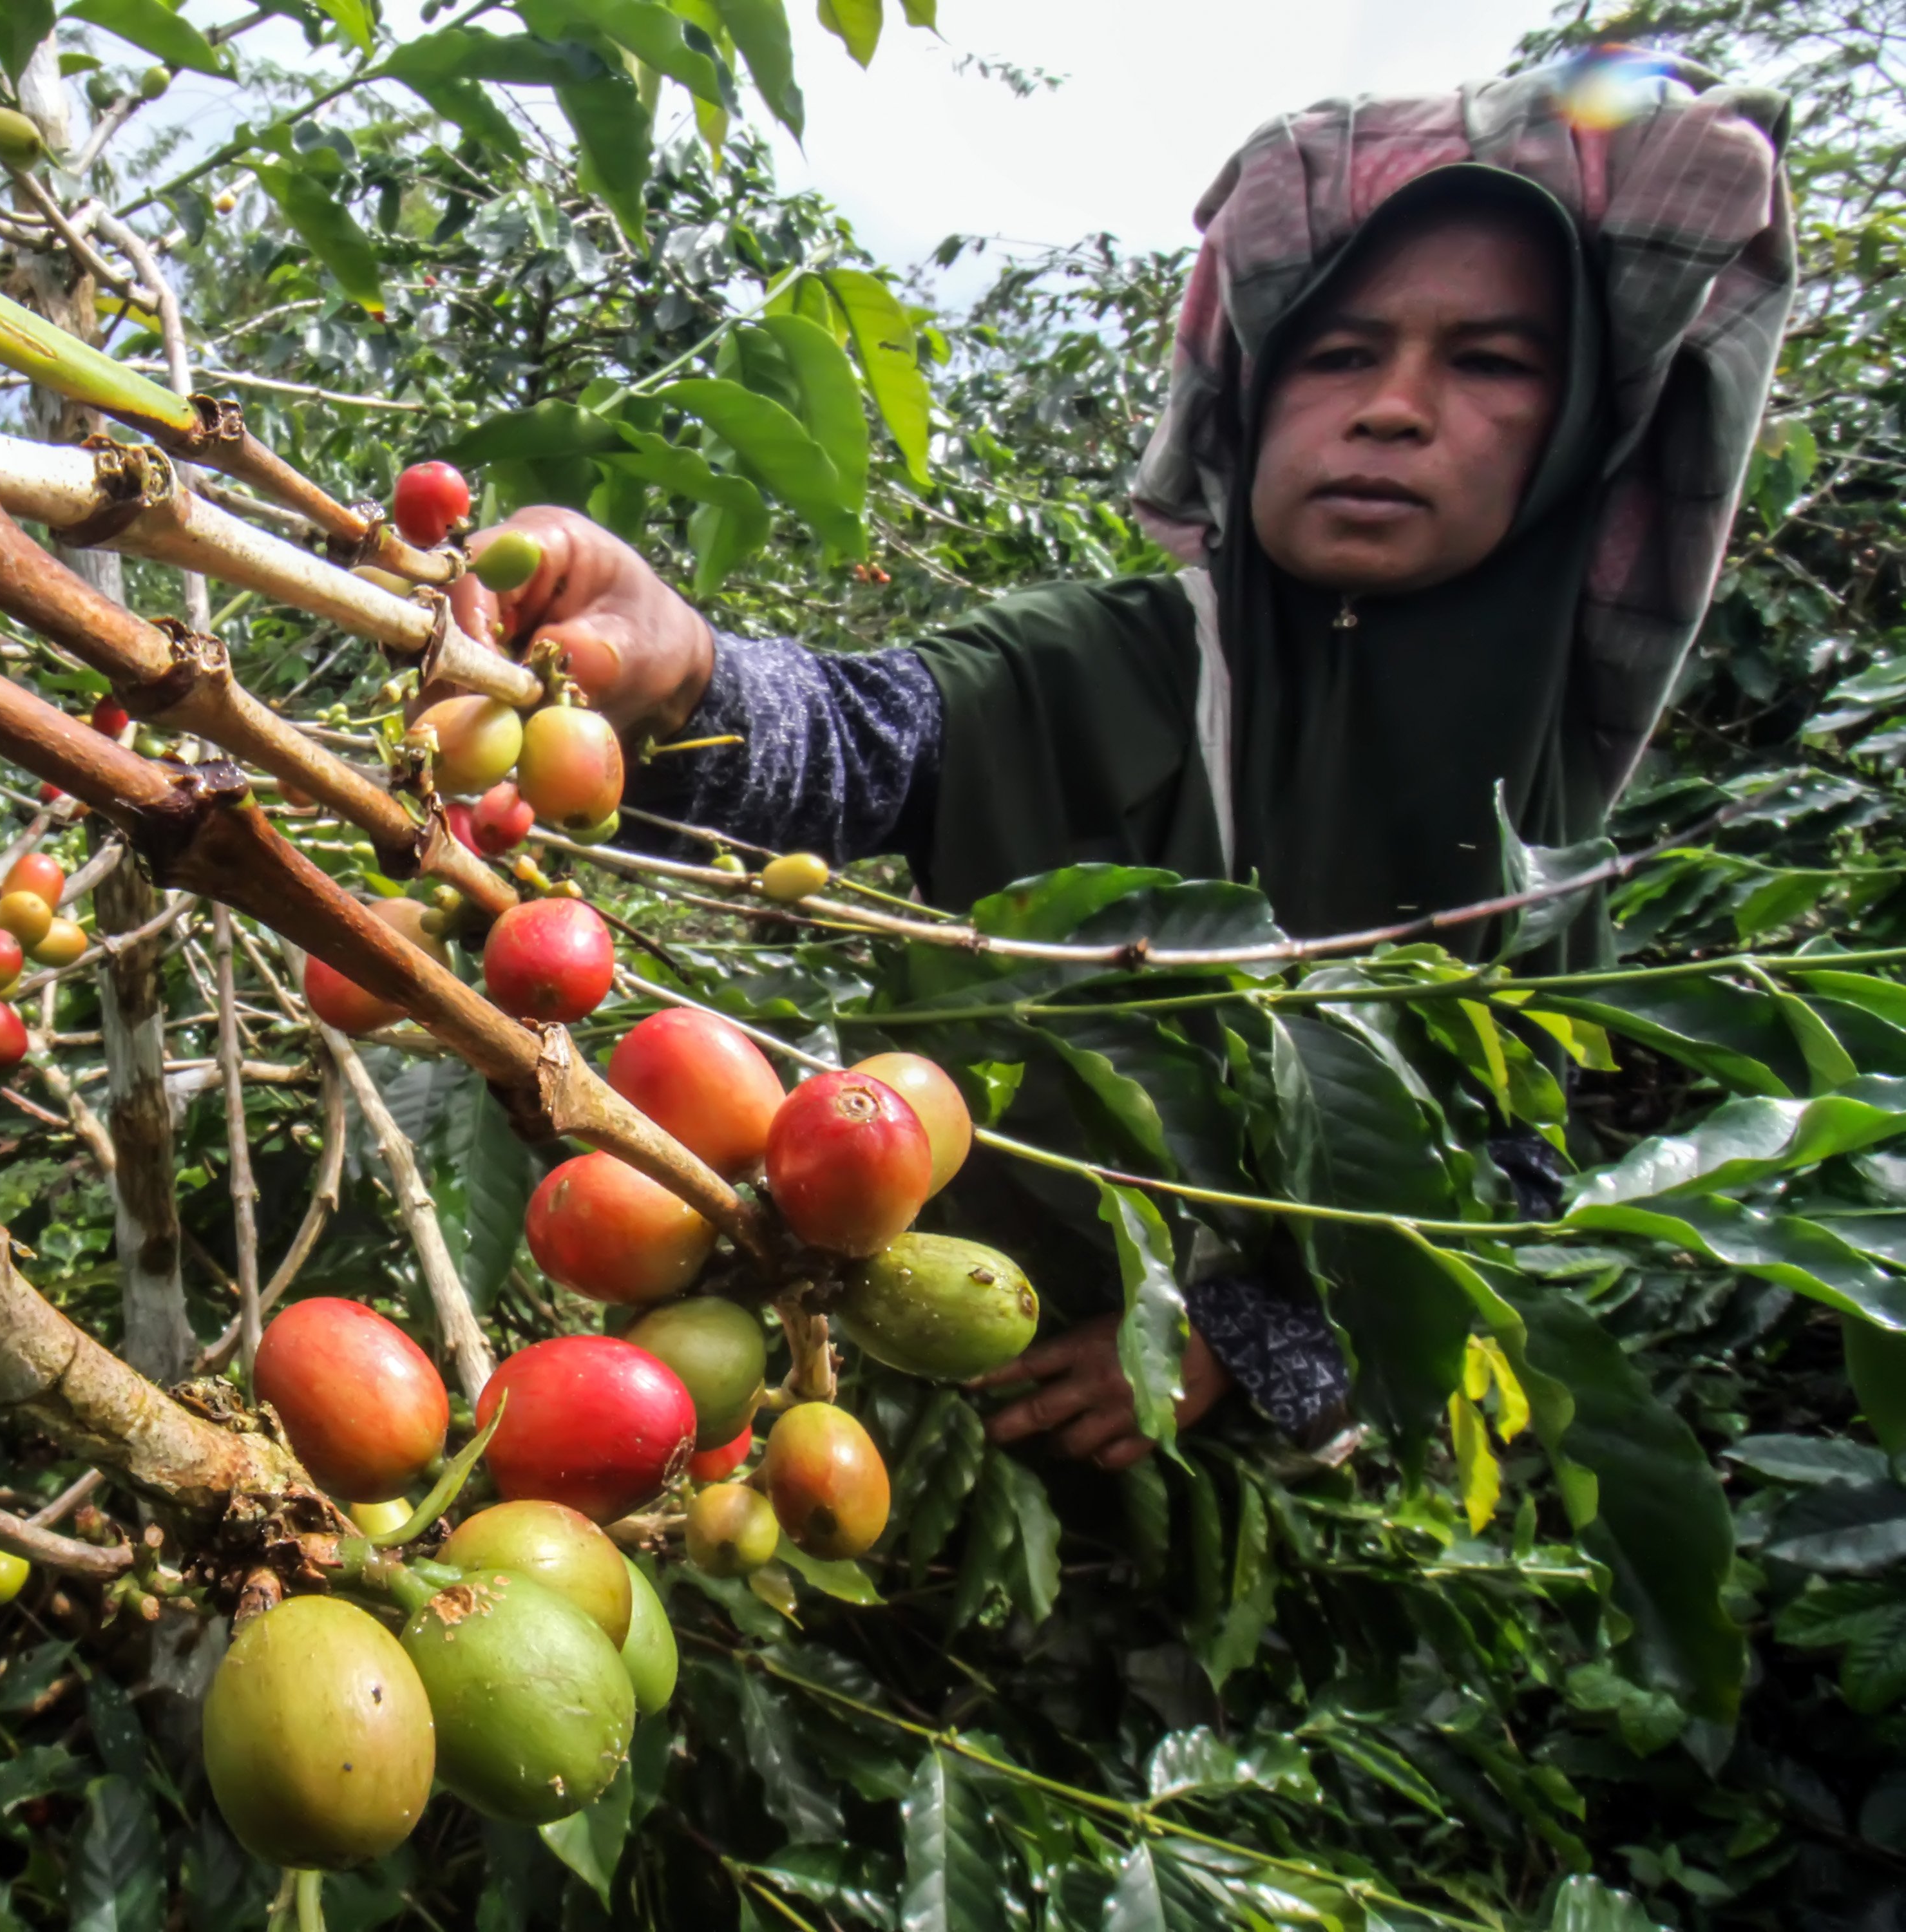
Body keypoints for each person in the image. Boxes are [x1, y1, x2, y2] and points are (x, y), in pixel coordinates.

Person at [452, 61, 1796, 1468]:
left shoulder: (1552, 832)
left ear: (1576, 435)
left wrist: (1245, 1347)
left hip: (1230, 1501)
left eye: (1488, 362)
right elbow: (870, 738)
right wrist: (682, 674)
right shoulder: (1127, 658)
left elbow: (1507, 1178)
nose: (1392, 408)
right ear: (1259, 401)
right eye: (1340, 355)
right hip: (905, 1367)